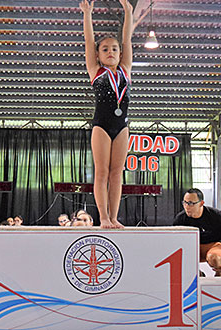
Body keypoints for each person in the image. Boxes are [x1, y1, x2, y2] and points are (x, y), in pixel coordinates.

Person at [80, 0, 133, 229]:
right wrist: (87, 15)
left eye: (114, 49)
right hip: (101, 126)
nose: (110, 51)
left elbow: (127, 39)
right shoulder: (96, 71)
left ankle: (114, 217)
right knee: (101, 172)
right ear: (98, 55)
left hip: (122, 127)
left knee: (116, 174)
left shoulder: (126, 69)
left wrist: (129, 12)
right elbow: (88, 41)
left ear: (120, 54)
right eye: (105, 49)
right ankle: (102, 216)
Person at [173, 189, 221, 276]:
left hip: (215, 245)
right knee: (181, 256)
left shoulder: (216, 216)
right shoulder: (180, 219)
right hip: (194, 247)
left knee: (214, 258)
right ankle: (198, 274)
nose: (187, 206)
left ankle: (219, 273)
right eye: (185, 203)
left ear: (201, 203)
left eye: (191, 203)